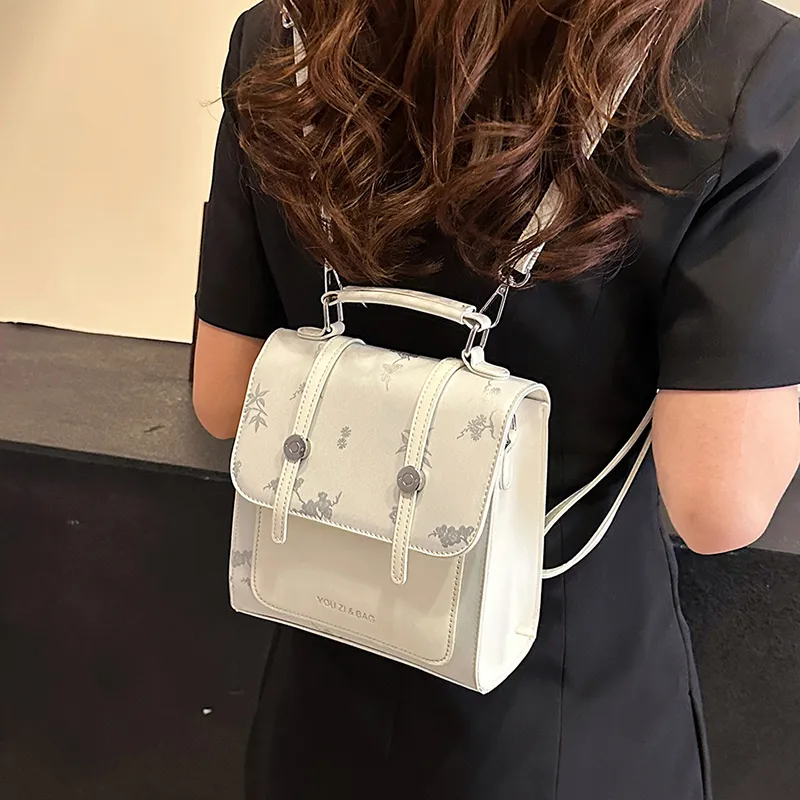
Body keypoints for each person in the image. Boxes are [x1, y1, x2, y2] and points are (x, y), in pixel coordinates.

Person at [192, 1, 800, 797]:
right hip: (562, 718)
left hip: (322, 691)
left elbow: (224, 399)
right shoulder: (745, 62)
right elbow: (719, 506)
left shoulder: (286, 31)